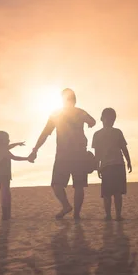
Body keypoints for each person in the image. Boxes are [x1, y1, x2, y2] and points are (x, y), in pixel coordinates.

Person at [28, 88, 96, 220]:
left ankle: (66, 206)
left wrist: (35, 150)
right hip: (79, 154)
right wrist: (87, 124)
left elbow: (45, 133)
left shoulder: (56, 114)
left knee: (56, 184)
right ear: (74, 100)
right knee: (79, 185)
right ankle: (76, 214)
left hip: (63, 154)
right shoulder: (80, 112)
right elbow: (92, 121)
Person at [91, 108, 132, 221]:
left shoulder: (98, 134)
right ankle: (117, 215)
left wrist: (97, 166)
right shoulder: (116, 132)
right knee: (116, 193)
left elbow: (97, 154)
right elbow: (124, 148)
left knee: (108, 193)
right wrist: (128, 161)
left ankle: (109, 215)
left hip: (108, 166)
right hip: (117, 165)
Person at [0, 131, 33, 220]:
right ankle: (5, 216)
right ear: (2, 140)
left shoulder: (1, 149)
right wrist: (27, 158)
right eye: (7, 139)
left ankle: (7, 215)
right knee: (5, 195)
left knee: (7, 195)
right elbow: (14, 157)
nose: (9, 140)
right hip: (3, 175)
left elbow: (10, 146)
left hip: (3, 175)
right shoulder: (3, 150)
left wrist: (18, 144)